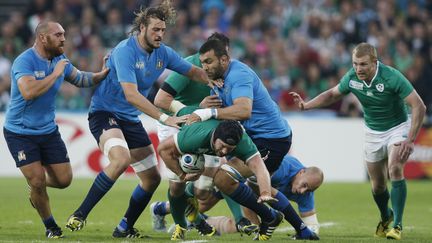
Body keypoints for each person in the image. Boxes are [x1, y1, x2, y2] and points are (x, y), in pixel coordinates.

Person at [65, 1, 213, 238]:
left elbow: (193, 71)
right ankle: (80, 214)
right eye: (155, 29)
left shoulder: (163, 53)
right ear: (142, 27)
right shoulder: (125, 51)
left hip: (129, 119)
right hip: (105, 113)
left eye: (163, 30)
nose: (160, 35)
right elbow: (131, 95)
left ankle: (124, 227)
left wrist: (218, 82)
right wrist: (165, 118)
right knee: (120, 158)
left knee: (151, 178)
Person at [290, 42, 426, 240]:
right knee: (377, 185)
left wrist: (411, 139)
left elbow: (419, 106)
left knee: (395, 167)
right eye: (355, 64)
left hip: (398, 127)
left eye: (363, 64)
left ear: (374, 62)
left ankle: (397, 225)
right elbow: (331, 94)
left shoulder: (391, 76)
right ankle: (385, 216)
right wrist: (306, 105)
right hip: (372, 131)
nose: (358, 69)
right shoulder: (352, 78)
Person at [187, 39, 318, 240]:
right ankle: (301, 230)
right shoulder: (219, 77)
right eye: (202, 62)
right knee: (257, 187)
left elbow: (244, 110)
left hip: (271, 139)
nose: (205, 67)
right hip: (256, 136)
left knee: (224, 178)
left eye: (209, 61)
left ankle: (268, 218)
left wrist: (208, 113)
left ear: (224, 59)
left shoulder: (239, 75)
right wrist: (204, 104)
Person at [3, 21, 109, 238]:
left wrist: (101, 74)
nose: (63, 39)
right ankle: (51, 226)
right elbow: (28, 92)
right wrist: (55, 73)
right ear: (43, 38)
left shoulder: (60, 60)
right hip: (20, 132)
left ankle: (35, 190)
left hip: (48, 130)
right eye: (58, 35)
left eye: (64, 34)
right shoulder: (24, 61)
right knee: (38, 180)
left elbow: (79, 78)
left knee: (63, 180)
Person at [152, 32, 255, 235]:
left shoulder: (229, 71)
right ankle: (182, 223)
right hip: (175, 122)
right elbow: (160, 99)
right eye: (219, 57)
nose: (224, 62)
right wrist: (195, 109)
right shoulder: (189, 66)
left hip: (204, 123)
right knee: (178, 185)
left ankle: (169, 210)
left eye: (226, 56)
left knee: (204, 190)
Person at [157, 108, 283, 241]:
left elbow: (259, 167)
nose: (224, 151)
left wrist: (265, 193)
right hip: (178, 123)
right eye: (222, 146)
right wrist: (182, 175)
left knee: (213, 186)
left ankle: (256, 218)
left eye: (229, 149)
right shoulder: (193, 138)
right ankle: (181, 227)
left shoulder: (242, 143)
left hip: (208, 137)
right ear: (215, 137)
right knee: (177, 187)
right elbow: (163, 150)